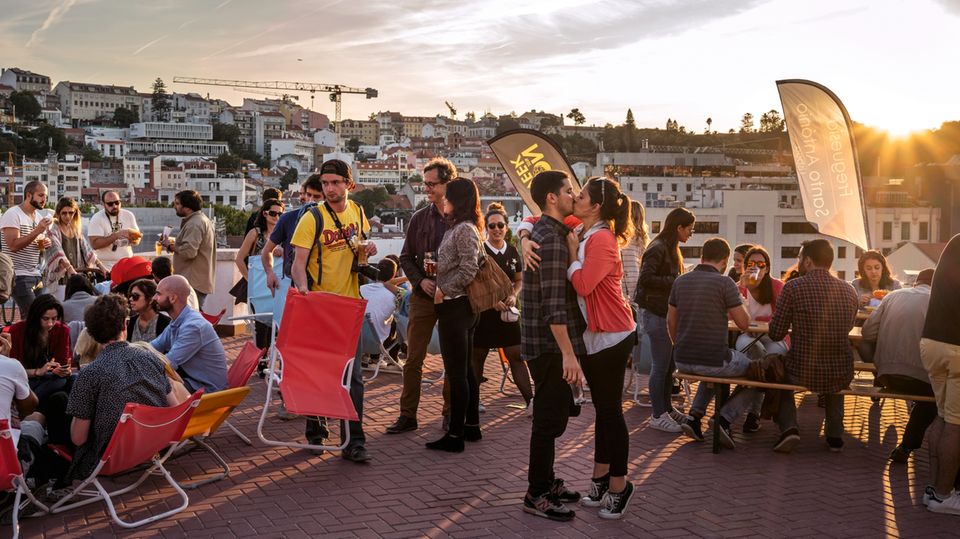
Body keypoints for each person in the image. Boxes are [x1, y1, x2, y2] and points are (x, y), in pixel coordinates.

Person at [290, 158, 375, 463]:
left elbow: (360, 247)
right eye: (325, 183)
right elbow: (297, 264)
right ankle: (316, 431)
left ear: (349, 185)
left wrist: (368, 248)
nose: (329, 188)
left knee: (353, 378)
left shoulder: (358, 212)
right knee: (320, 374)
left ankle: (354, 441)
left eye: (335, 183)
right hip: (322, 306)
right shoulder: (312, 218)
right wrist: (304, 292)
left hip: (350, 305)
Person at [565, 177, 637, 518]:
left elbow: (583, 284)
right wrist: (522, 231)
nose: (574, 200)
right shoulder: (587, 231)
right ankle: (600, 478)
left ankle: (620, 486)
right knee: (604, 412)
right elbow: (543, 218)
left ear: (594, 206)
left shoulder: (602, 239)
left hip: (613, 334)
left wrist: (569, 254)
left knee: (611, 413)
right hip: (598, 334)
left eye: (580, 196)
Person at [63, 293, 186, 484]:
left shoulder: (89, 374)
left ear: (93, 333)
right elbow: (174, 409)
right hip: (153, 447)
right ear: (124, 325)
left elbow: (78, 439)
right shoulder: (151, 358)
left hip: (110, 458)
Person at [520, 170, 586, 522]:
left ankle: (546, 481)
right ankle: (536, 493)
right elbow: (554, 305)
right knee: (548, 421)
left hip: (546, 343)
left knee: (555, 416)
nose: (573, 196)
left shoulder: (549, 233)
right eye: (568, 191)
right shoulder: (551, 240)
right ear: (551, 198)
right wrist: (568, 354)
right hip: (548, 345)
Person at [767, 239, 858, 453]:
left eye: (799, 258)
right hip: (841, 370)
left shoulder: (793, 287)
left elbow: (775, 333)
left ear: (807, 261)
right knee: (836, 380)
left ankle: (789, 427)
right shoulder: (849, 290)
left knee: (780, 371)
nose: (798, 262)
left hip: (802, 369)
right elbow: (849, 326)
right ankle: (835, 435)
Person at [386, 158, 455, 435]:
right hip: (424, 297)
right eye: (424, 183)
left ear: (447, 183)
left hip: (452, 298)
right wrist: (421, 281)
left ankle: (449, 414)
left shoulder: (462, 218)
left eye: (431, 184)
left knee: (452, 358)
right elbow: (405, 256)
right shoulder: (419, 218)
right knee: (413, 358)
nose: (426, 188)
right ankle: (407, 415)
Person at [669, 238, 755, 448]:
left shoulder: (680, 281)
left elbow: (671, 320)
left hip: (681, 359)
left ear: (702, 257)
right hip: (713, 360)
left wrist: (678, 345)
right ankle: (724, 418)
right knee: (759, 374)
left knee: (712, 369)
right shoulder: (725, 283)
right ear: (725, 262)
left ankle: (694, 416)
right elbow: (744, 324)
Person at [423, 178, 482, 453]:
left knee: (458, 374)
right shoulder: (459, 228)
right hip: (459, 307)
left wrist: (442, 289)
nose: (442, 200)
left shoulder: (464, 230)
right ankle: (471, 427)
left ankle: (456, 435)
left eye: (447, 196)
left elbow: (469, 270)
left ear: (456, 200)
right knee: (466, 372)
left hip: (456, 307)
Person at [860, 268, 937, 464]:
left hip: (887, 374)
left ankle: (877, 374)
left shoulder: (893, 296)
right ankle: (907, 445)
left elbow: (867, 333)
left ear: (915, 283)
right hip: (921, 378)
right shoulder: (940, 301)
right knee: (933, 400)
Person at [636, 207, 695, 433]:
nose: (691, 233)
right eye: (689, 229)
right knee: (661, 366)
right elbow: (646, 279)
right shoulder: (659, 248)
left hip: (663, 313)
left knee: (668, 365)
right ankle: (657, 414)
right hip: (654, 312)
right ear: (678, 227)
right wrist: (676, 279)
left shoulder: (669, 248)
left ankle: (667, 409)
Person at [471, 202, 532, 410]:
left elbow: (519, 280)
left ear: (507, 227)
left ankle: (531, 402)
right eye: (491, 226)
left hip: (508, 314)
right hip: (485, 313)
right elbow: (474, 283)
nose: (496, 230)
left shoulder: (513, 251)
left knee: (516, 355)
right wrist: (491, 301)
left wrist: (514, 295)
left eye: (500, 225)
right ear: (485, 228)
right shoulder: (480, 251)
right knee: (478, 356)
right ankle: (474, 400)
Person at [920, 234, 960, 514]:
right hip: (957, 348)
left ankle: (934, 489)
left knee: (943, 416)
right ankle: (944, 496)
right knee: (956, 425)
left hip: (932, 342)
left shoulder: (956, 242)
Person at [150, 275, 227, 393]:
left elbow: (168, 364)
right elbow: (153, 347)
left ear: (172, 298)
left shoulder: (192, 327)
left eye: (158, 294)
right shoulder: (178, 321)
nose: (154, 298)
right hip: (193, 382)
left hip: (207, 390)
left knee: (149, 389)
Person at [0, 180, 53, 317]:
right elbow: (13, 246)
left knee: (42, 316)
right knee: (34, 317)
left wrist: (44, 243)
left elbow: (34, 243)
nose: (44, 199)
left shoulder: (38, 217)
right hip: (19, 275)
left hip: (36, 274)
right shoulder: (13, 214)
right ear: (29, 195)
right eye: (41, 195)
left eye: (45, 196)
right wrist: (38, 230)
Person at [235, 197, 283, 349]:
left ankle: (271, 361)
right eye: (273, 213)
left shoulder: (283, 235)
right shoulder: (255, 234)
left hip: (278, 286)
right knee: (261, 327)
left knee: (277, 326)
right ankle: (261, 362)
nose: (277, 217)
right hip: (259, 288)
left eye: (280, 214)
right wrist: (250, 279)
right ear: (264, 214)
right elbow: (239, 259)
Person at [262, 178, 324, 292]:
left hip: (324, 285)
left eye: (317, 197)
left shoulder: (332, 220)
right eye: (309, 195)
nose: (311, 200)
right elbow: (266, 251)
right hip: (292, 283)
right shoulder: (287, 218)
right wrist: (270, 273)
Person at [9, 294, 74, 402]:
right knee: (60, 385)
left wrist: (65, 370)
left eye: (54, 318)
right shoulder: (17, 330)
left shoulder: (62, 330)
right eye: (45, 319)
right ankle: (28, 404)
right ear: (36, 316)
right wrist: (38, 371)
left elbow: (63, 363)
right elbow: (12, 370)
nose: (50, 323)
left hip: (51, 380)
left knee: (72, 380)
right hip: (25, 380)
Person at [44, 196, 107, 300]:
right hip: (61, 279)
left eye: (71, 213)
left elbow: (87, 250)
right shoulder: (53, 230)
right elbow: (58, 253)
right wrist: (71, 270)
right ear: (58, 213)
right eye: (64, 213)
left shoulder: (75, 229)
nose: (68, 216)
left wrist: (101, 266)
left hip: (77, 277)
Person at [164, 190, 216, 306]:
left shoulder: (194, 224)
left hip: (192, 281)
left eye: (177, 204)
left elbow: (189, 252)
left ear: (187, 207)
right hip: (196, 280)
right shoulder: (200, 220)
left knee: (190, 317)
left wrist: (169, 246)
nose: (174, 207)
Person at [87, 190, 141, 271]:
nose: (114, 206)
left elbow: (138, 240)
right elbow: (94, 244)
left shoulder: (128, 215)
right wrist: (116, 236)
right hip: (105, 266)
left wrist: (131, 238)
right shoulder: (97, 218)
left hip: (126, 263)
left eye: (117, 202)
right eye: (110, 204)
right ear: (103, 204)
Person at [126, 278, 171, 342]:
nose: (130, 299)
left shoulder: (166, 323)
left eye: (135, 296)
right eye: (130, 296)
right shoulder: (130, 322)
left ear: (150, 300)